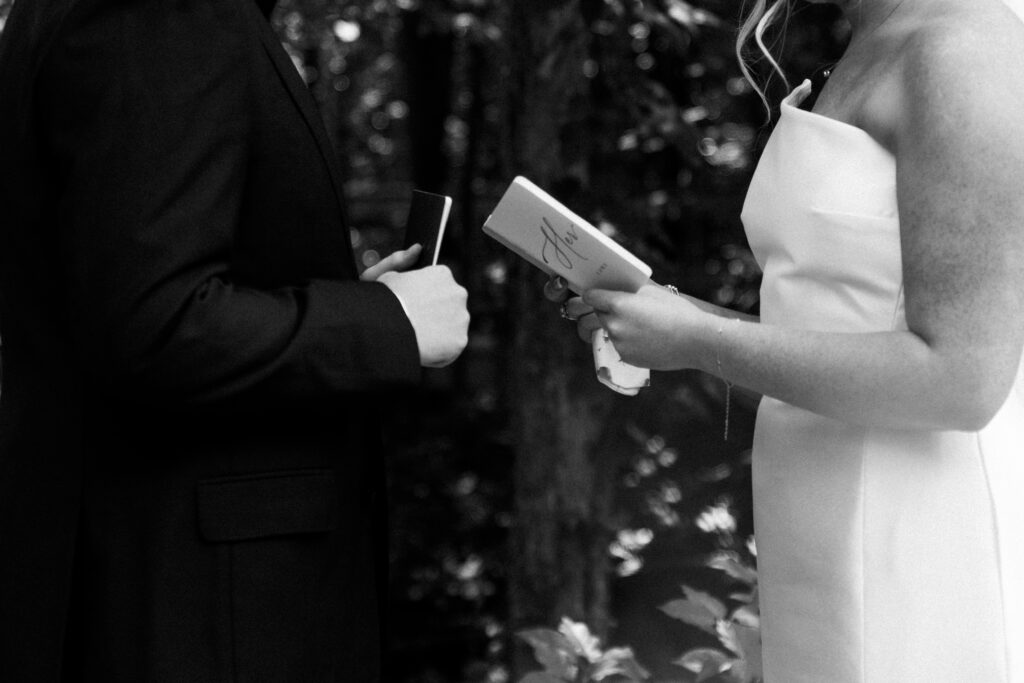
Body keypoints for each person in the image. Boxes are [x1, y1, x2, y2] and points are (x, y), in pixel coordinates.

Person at [553, 0, 1024, 680]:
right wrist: (670, 316)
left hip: (917, 529)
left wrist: (700, 338)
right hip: (813, 518)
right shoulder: (870, 40)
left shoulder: (962, 48)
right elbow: (833, 328)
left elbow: (961, 378)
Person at [0, 0, 469, 680]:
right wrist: (382, 325)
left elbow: (117, 286)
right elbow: (156, 323)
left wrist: (363, 300)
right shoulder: (165, 17)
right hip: (194, 608)